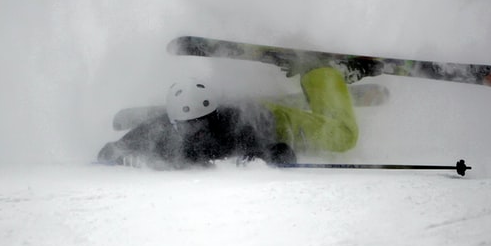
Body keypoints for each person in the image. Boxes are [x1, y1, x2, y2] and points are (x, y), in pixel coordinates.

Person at [97, 66, 358, 169]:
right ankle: (300, 97)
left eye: (200, 122)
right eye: (184, 125)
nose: (192, 130)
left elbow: (276, 150)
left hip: (277, 122)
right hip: (246, 105)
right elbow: (117, 148)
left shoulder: (236, 127)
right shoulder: (166, 127)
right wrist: (118, 153)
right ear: (173, 121)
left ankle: (321, 73)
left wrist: (273, 155)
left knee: (344, 138)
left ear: (213, 116)